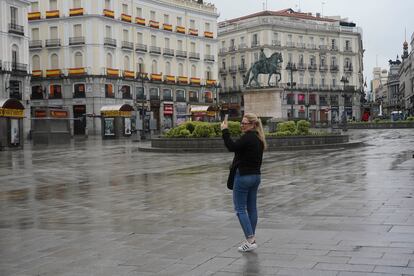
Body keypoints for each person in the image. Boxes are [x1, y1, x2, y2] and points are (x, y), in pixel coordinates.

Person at [221, 113, 266, 252]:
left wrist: (225, 130)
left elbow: (231, 147)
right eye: (241, 123)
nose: (242, 125)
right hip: (256, 177)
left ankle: (251, 239)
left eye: (245, 123)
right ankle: (250, 239)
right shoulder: (259, 139)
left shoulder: (247, 137)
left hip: (244, 177)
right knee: (252, 208)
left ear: (253, 125)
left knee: (240, 209)